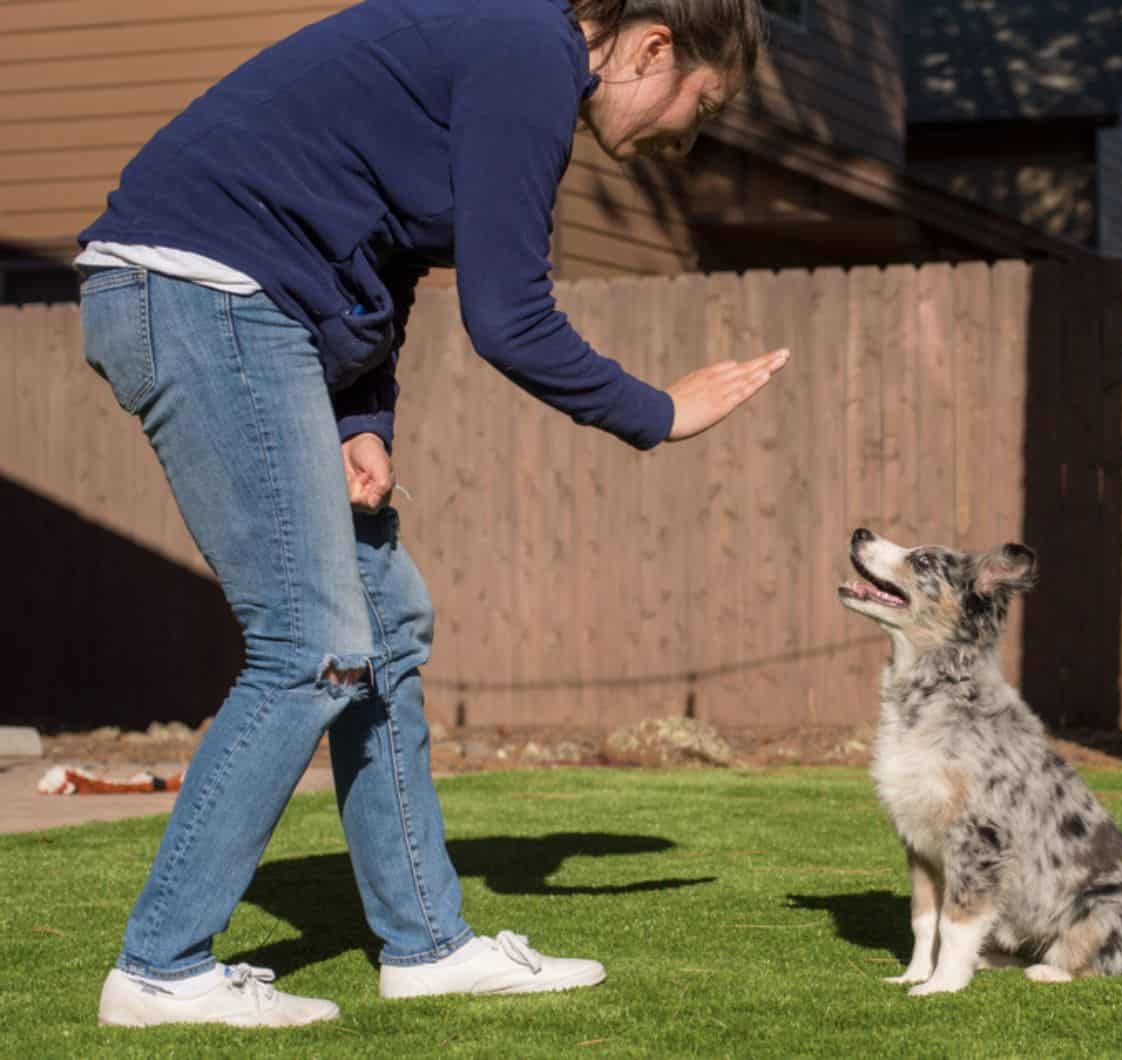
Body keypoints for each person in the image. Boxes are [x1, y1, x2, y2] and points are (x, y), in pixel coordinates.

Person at [77, 0, 783, 1028]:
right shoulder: (529, 50)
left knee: (385, 623)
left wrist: (362, 414)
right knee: (310, 641)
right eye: (701, 103)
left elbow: (382, 249)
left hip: (243, 304)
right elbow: (509, 315)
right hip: (207, 292)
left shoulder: (505, 53)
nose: (688, 134)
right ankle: (160, 966)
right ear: (655, 45)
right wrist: (660, 411)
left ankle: (425, 945)